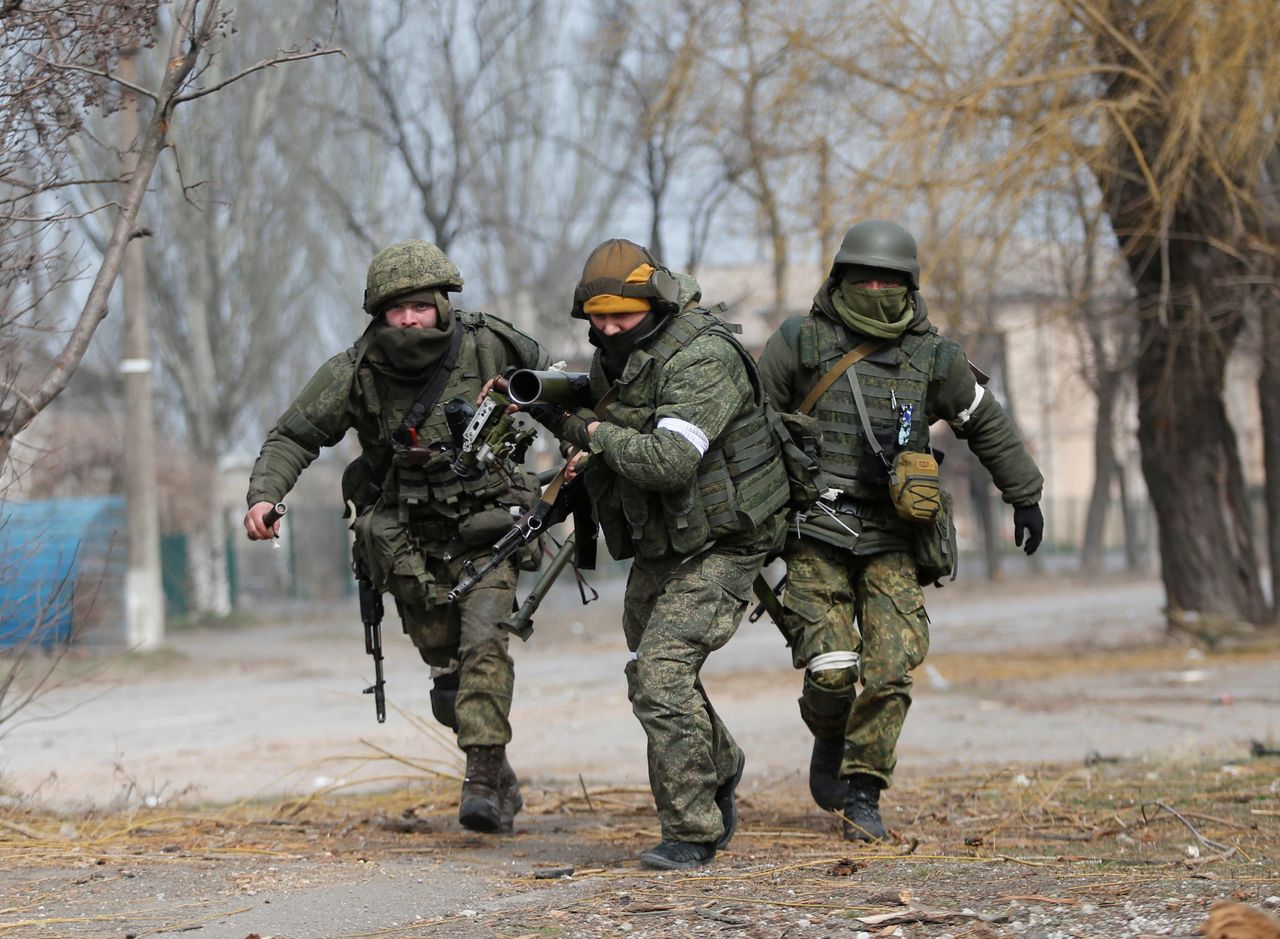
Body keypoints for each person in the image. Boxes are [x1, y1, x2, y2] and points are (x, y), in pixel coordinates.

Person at [244, 239, 548, 833]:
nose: (409, 320)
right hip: (410, 540)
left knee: (485, 646)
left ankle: (481, 782)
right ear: (378, 314)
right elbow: (293, 437)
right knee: (448, 682)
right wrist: (264, 495)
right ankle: (500, 774)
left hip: (489, 529)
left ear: (441, 303)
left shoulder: (493, 345)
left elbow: (555, 390)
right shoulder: (355, 372)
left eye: (419, 307)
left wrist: (580, 438)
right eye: (395, 310)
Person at [757, 220, 1045, 842]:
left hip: (892, 537)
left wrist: (1024, 495)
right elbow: (750, 427)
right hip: (815, 532)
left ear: (910, 285)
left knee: (890, 668)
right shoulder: (799, 342)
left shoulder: (932, 357)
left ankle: (864, 791)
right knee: (832, 669)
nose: (877, 287)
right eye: (865, 277)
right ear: (842, 279)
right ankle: (830, 735)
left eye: (890, 279)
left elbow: (984, 422)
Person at [522, 239, 790, 870]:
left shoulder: (703, 357)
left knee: (661, 675)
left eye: (623, 315)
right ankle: (719, 762)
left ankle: (691, 832)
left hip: (728, 539)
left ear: (656, 302)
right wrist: (544, 409)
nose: (609, 328)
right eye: (598, 317)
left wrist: (586, 429)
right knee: (647, 670)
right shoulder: (617, 358)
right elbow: (612, 434)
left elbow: (668, 463)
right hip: (665, 542)